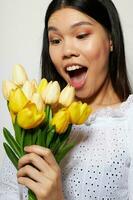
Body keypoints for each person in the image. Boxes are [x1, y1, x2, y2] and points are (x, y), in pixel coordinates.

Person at [0, 0, 133, 199]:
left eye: (81, 35)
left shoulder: (127, 124)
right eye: (55, 40)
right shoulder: (35, 123)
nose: (66, 51)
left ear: (110, 39)